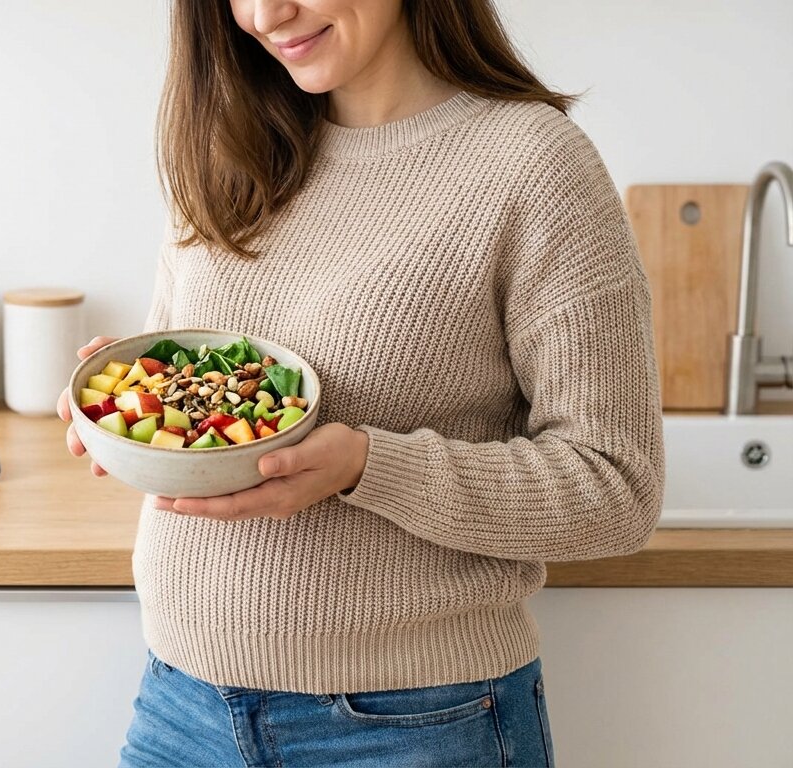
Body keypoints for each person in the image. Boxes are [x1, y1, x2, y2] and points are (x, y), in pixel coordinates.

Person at [57, 0, 665, 765]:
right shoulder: (232, 144)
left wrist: (368, 466)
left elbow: (616, 490)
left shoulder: (533, 165)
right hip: (181, 704)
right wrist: (123, 400)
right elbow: (186, 370)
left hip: (411, 725)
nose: (265, 14)